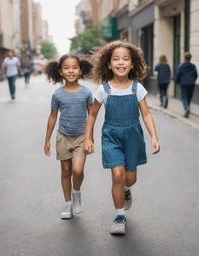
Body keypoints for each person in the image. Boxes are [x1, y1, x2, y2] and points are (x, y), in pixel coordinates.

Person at [83, 41, 160, 235]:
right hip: (111, 136)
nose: (121, 62)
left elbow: (147, 115)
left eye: (125, 59)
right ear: (109, 64)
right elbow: (92, 115)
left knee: (130, 179)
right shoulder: (103, 89)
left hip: (133, 136)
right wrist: (88, 138)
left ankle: (126, 189)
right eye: (116, 59)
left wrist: (154, 137)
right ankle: (119, 216)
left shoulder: (137, 89)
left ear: (132, 64)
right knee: (117, 175)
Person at [44, 54, 93, 220]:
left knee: (77, 170)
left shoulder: (86, 92)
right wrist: (47, 140)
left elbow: (91, 116)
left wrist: (89, 138)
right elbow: (52, 117)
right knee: (66, 171)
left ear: (80, 70)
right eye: (66, 68)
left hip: (81, 137)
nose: (71, 71)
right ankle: (68, 204)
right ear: (60, 71)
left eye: (74, 67)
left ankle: (76, 193)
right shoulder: (58, 94)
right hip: (63, 137)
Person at [175, 52, 198, 118]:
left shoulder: (181, 66)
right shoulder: (193, 66)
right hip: (191, 83)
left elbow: (178, 75)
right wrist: (193, 80)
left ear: (184, 58)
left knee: (184, 97)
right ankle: (188, 108)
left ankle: (186, 107)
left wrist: (177, 81)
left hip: (184, 83)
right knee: (189, 97)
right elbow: (196, 75)